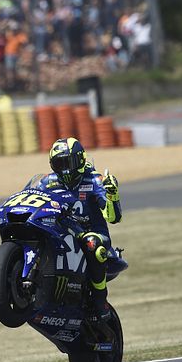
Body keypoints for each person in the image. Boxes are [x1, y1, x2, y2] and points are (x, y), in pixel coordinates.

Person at [38, 137, 122, 320]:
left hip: (91, 233)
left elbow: (114, 218)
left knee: (93, 244)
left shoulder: (95, 180)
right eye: (60, 163)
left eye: (69, 162)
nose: (65, 169)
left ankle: (101, 300)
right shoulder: (47, 182)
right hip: (61, 231)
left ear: (81, 160)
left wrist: (112, 196)